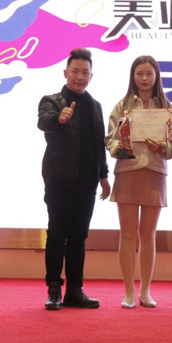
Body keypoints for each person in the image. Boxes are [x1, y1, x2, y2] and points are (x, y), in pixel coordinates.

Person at [37, 48, 110, 310]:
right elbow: (43, 122)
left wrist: (103, 176)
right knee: (57, 233)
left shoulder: (95, 106)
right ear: (66, 72)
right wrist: (59, 118)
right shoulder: (52, 101)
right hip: (59, 179)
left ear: (91, 76)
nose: (80, 77)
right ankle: (54, 289)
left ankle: (75, 290)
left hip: (87, 182)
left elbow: (99, 145)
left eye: (85, 72)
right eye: (75, 71)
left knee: (79, 236)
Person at [104, 55, 172, 309]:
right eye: (139, 74)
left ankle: (145, 291)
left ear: (157, 77)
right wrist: (119, 147)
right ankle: (128, 292)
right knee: (127, 234)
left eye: (149, 74)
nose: (144, 79)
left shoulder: (167, 108)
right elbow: (110, 139)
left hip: (155, 171)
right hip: (128, 170)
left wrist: (164, 147)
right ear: (133, 76)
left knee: (148, 234)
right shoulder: (122, 106)